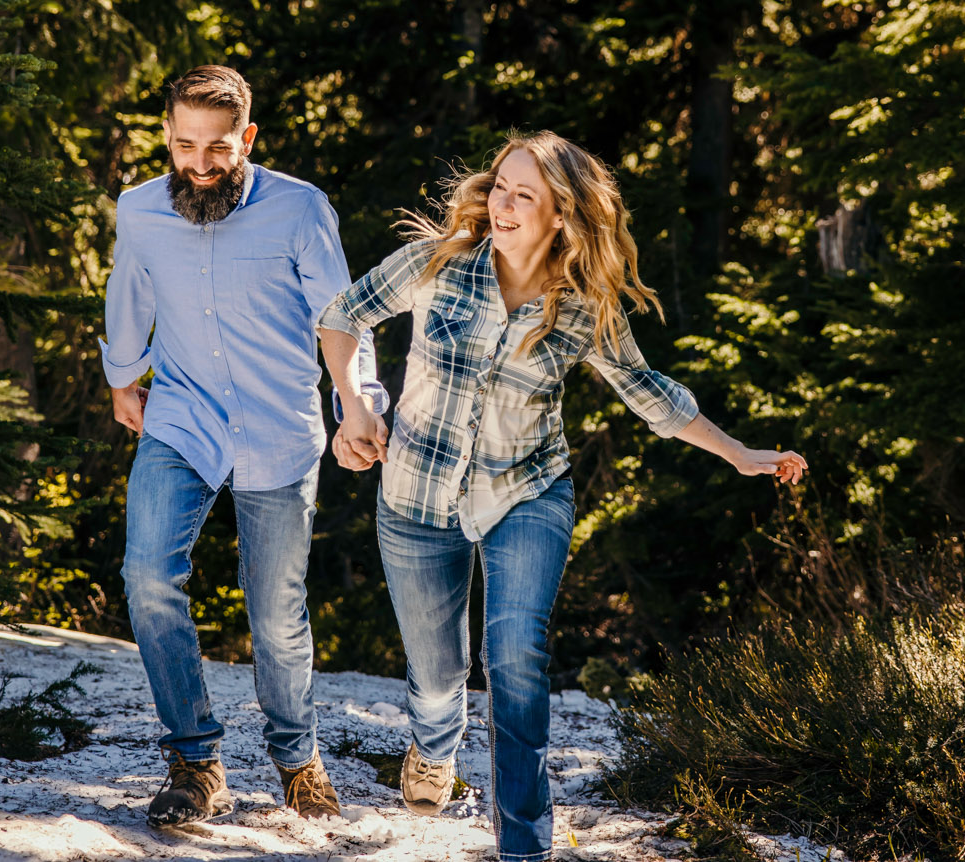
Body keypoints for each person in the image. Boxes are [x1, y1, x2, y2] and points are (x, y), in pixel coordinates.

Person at [315, 131, 808, 861]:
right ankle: (433, 746)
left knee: (514, 654)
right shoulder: (438, 263)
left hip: (528, 492)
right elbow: (342, 315)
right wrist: (356, 407)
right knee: (439, 674)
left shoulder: (583, 307)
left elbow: (651, 395)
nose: (504, 206)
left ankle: (524, 846)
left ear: (561, 217)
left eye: (526, 196)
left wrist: (738, 453)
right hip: (416, 493)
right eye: (500, 188)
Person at [102, 65, 388, 827]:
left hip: (276, 427)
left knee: (277, 611)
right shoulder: (139, 210)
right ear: (167, 135)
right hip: (183, 419)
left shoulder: (299, 209)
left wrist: (354, 404)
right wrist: (125, 377)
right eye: (185, 145)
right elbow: (129, 290)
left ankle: (298, 763)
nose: (200, 164)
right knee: (147, 574)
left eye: (218, 148)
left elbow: (340, 315)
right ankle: (195, 761)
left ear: (247, 138)